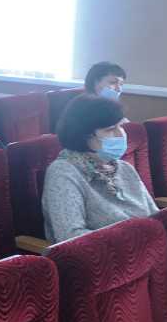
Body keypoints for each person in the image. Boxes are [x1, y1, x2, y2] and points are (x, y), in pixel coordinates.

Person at [42, 95, 156, 243]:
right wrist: (132, 239)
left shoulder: (124, 168)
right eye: (110, 129)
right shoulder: (63, 173)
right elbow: (69, 237)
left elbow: (155, 216)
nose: (120, 134)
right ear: (84, 135)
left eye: (120, 126)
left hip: (147, 247)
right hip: (108, 254)